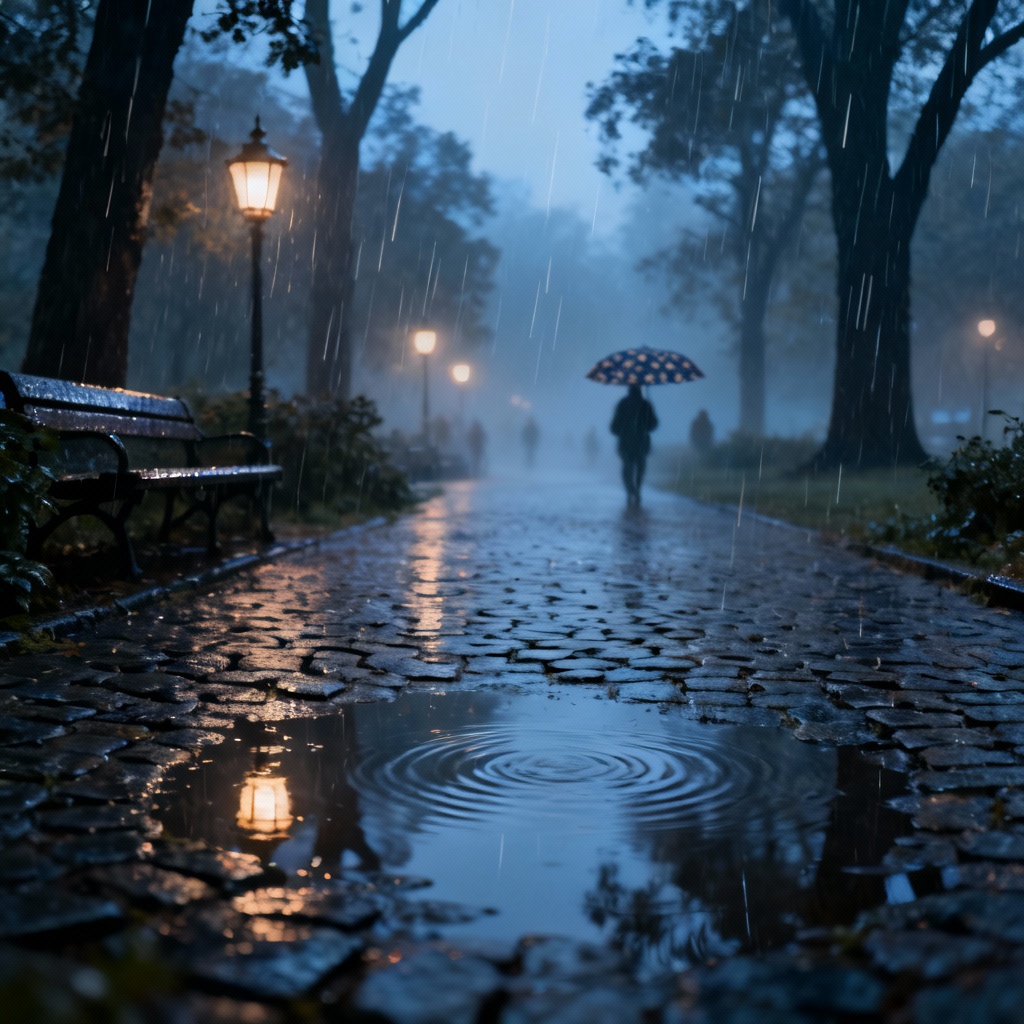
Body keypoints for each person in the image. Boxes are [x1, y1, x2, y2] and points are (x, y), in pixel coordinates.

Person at [610, 383, 658, 504]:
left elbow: (614, 428)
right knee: (640, 468)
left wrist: (622, 430)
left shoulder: (622, 404)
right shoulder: (645, 405)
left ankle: (630, 490)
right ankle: (637, 489)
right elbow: (652, 425)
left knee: (627, 468)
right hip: (641, 443)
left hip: (625, 443)